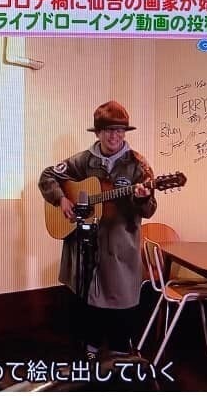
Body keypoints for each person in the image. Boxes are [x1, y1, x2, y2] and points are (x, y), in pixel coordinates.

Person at [38, 100, 157, 359]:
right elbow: (48, 176)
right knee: (88, 297)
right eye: (108, 130)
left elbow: (149, 210)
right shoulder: (83, 160)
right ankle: (89, 348)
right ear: (98, 133)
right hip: (86, 244)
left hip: (120, 244)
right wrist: (62, 199)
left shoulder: (138, 165)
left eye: (119, 130)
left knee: (121, 297)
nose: (114, 136)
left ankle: (119, 351)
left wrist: (143, 197)